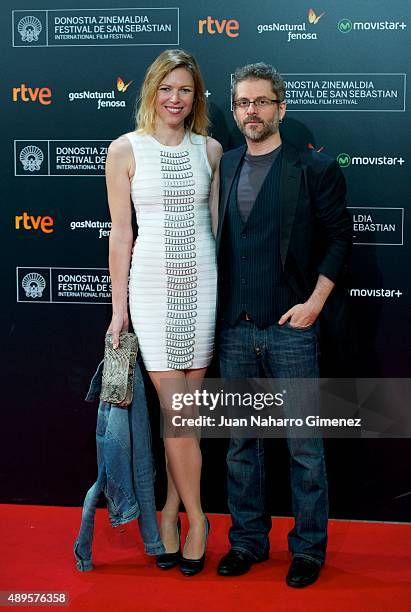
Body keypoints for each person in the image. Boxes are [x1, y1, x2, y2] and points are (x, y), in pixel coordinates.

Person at [216, 63, 351, 587]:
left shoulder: (312, 168)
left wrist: (315, 303)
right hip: (233, 330)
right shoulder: (222, 167)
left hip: (291, 329)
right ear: (235, 112)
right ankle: (248, 542)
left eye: (262, 102)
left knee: (304, 447)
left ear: (281, 107)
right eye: (244, 104)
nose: (252, 112)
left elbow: (341, 238)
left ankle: (308, 550)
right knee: (240, 447)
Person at [105, 49, 222, 576]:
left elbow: (217, 231)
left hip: (203, 283)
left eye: (186, 90)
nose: (175, 99)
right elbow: (122, 233)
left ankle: (172, 514)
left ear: (196, 97)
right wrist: (118, 309)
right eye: (166, 88)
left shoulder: (212, 150)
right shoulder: (125, 149)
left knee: (185, 415)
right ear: (151, 90)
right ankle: (199, 520)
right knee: (176, 410)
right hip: (151, 287)